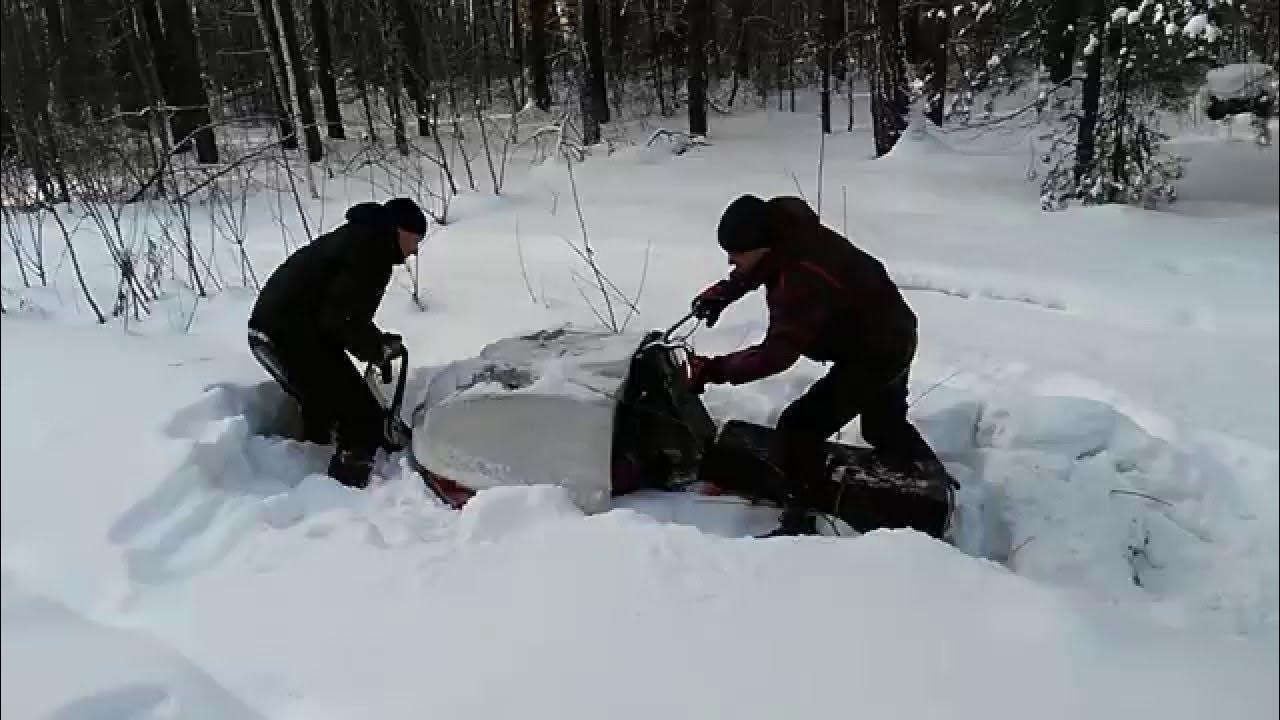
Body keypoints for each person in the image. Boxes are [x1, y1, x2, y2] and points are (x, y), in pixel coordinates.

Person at [687, 194, 944, 535]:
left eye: (736, 255)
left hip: (877, 351)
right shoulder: (788, 234)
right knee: (883, 426)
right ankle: (934, 484)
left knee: (799, 427)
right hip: (891, 328)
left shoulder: (800, 280)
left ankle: (799, 519)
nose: (731, 262)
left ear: (760, 246)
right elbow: (762, 266)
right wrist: (722, 293)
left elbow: (776, 354)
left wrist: (714, 369)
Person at [248, 197, 426, 488]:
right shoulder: (373, 249)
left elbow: (342, 312)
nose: (415, 250)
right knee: (361, 416)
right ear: (401, 230)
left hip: (269, 330)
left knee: (328, 402)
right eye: (416, 239)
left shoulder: (360, 238)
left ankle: (308, 458)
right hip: (290, 335)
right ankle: (344, 494)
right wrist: (375, 349)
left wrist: (375, 342)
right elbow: (340, 319)